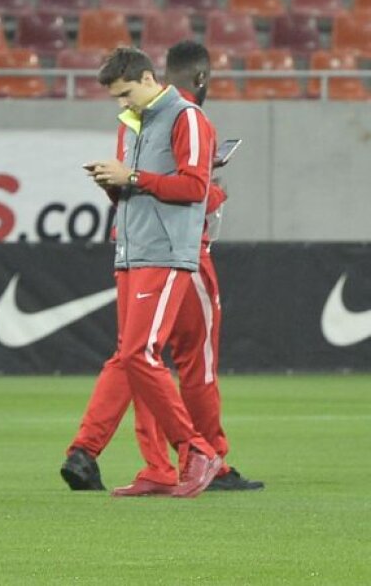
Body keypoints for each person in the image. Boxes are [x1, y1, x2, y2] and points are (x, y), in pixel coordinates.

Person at [60, 43, 263, 493]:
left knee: (140, 356)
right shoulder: (134, 122)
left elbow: (193, 186)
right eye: (116, 97)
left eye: (125, 93)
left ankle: (195, 454)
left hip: (170, 253)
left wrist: (130, 179)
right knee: (141, 357)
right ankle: (174, 461)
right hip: (133, 251)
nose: (121, 104)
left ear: (150, 79)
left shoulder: (186, 117)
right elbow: (156, 187)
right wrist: (115, 185)